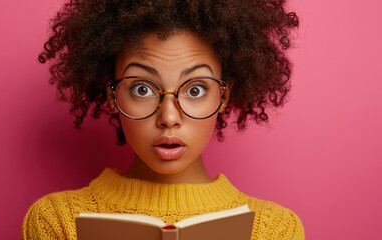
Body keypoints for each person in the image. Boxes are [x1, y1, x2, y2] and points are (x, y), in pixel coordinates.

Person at [21, 0, 304, 239]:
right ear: (113, 96)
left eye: (195, 89)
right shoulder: (57, 223)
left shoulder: (273, 230)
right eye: (142, 89)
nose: (169, 118)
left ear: (223, 96)